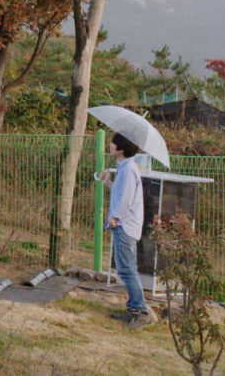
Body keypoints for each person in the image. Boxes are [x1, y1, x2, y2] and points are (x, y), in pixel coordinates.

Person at [102, 132, 156, 330]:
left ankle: (141, 311)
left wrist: (114, 217)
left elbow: (125, 199)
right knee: (127, 268)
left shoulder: (128, 169)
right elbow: (121, 192)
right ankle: (134, 309)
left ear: (121, 149)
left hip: (124, 226)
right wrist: (108, 182)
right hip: (126, 225)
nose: (110, 144)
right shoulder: (125, 168)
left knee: (126, 269)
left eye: (113, 142)